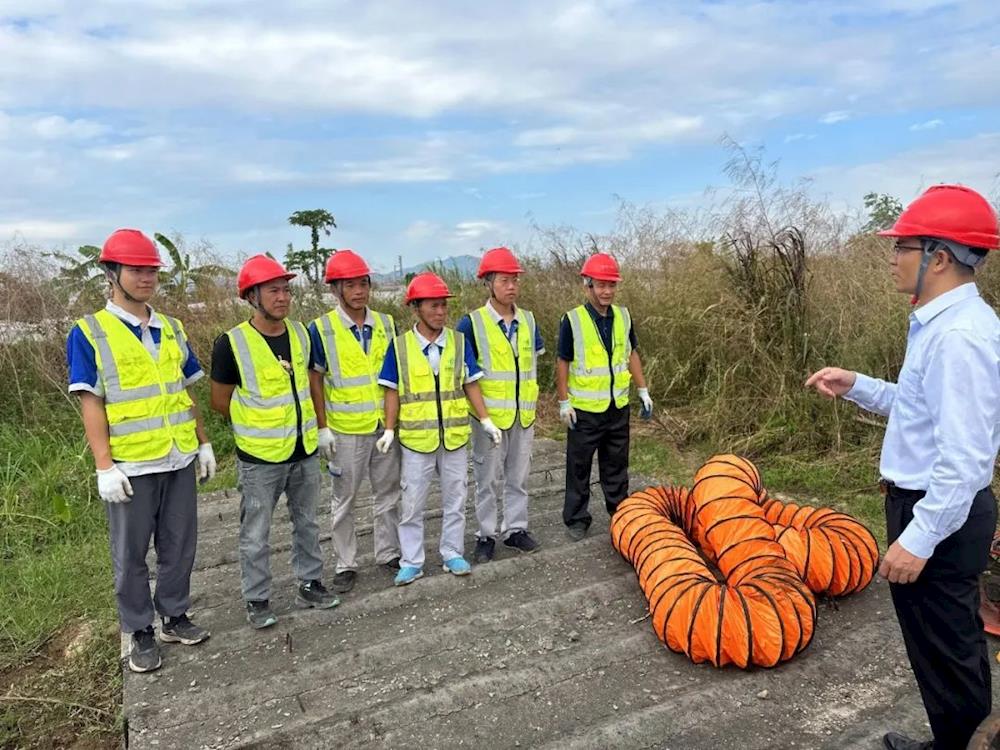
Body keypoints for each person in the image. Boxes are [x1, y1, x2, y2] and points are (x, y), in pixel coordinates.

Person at [805, 185, 1000, 750]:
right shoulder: (941, 323)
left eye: (902, 247)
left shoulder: (959, 337)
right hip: (937, 509)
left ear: (939, 258)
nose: (892, 258)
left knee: (948, 651)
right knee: (945, 647)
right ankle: (955, 742)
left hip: (939, 514)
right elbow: (920, 409)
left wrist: (918, 539)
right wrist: (857, 385)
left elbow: (964, 459)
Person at [67, 228, 215, 673]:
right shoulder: (90, 332)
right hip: (131, 464)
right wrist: (104, 466)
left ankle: (174, 615)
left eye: (152, 270)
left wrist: (203, 442)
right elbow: (91, 402)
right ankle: (140, 630)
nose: (147, 277)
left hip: (178, 454)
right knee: (130, 554)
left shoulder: (171, 327)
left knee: (179, 544)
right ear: (112, 274)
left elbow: (185, 391)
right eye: (136, 270)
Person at [210, 255, 339, 629]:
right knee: (255, 532)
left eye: (286, 290)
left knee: (308, 522)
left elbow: (310, 384)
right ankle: (257, 599)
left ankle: (310, 583)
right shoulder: (231, 344)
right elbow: (220, 401)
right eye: (273, 291)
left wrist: (321, 428)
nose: (282, 298)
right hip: (260, 457)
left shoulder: (301, 334)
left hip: (303, 449)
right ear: (252, 297)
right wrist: (259, 426)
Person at [375, 272, 502, 586]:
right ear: (416, 308)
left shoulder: (458, 342)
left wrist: (485, 419)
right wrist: (389, 429)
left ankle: (452, 553)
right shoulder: (400, 347)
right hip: (417, 441)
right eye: (433, 305)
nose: (441, 312)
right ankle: (411, 561)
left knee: (455, 499)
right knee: (412, 504)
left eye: (444, 305)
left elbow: (471, 384)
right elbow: (391, 390)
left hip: (454, 438)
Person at [308, 250, 401, 593]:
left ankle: (388, 553)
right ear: (335, 289)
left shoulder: (386, 324)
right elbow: (315, 381)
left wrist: (392, 424)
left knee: (388, 492)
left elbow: (394, 377)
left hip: (383, 426)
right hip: (345, 431)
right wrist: (322, 428)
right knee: (344, 499)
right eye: (350, 285)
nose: (359, 291)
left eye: (363, 283)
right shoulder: (321, 329)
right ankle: (346, 563)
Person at [455, 247, 544, 563]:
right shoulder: (471, 324)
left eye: (515, 280)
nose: (511, 286)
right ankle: (486, 534)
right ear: (488, 283)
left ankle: (516, 529)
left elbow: (532, 364)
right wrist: (483, 417)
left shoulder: (528, 320)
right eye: (504, 280)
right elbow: (466, 377)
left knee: (518, 476)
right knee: (487, 480)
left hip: (522, 415)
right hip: (488, 419)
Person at [556, 253, 653, 541]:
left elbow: (631, 353)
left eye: (611, 285)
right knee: (579, 466)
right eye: (600, 285)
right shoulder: (573, 320)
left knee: (616, 464)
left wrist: (643, 390)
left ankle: (620, 512)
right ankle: (577, 518)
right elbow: (563, 361)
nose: (607, 291)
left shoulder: (623, 316)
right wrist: (564, 402)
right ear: (588, 286)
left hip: (617, 406)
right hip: (584, 410)